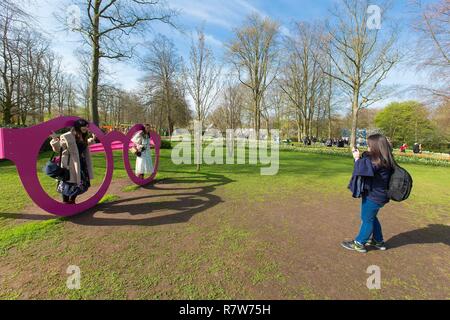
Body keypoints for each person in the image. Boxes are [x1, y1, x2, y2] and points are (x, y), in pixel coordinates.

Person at [342, 134, 395, 253]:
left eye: (370, 145)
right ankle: (378, 241)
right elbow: (367, 162)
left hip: (374, 196)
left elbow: (362, 170)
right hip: (379, 195)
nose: (368, 147)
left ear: (376, 146)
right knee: (372, 217)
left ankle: (359, 243)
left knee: (366, 219)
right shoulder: (384, 157)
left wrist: (356, 158)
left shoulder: (378, 161)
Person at [50, 119, 95, 204]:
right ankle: (65, 203)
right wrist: (55, 139)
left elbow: (82, 145)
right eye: (83, 126)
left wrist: (91, 140)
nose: (85, 128)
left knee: (79, 184)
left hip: (80, 164)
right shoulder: (68, 136)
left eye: (86, 126)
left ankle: (72, 201)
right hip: (69, 164)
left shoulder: (83, 136)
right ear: (78, 126)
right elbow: (58, 149)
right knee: (67, 184)